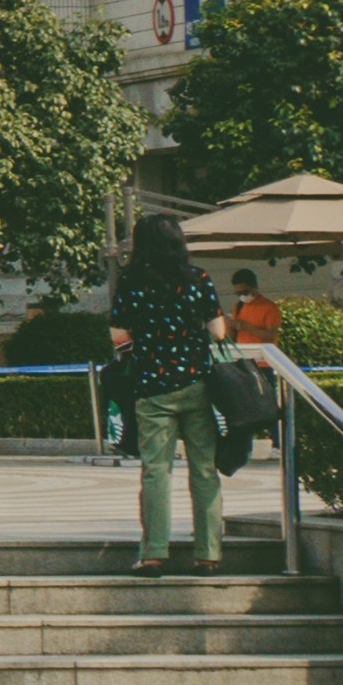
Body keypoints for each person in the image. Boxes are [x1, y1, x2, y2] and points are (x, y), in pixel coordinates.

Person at [107, 214, 230, 575]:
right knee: (204, 470)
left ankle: (154, 553)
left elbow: (119, 335)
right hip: (197, 385)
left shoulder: (132, 282)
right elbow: (219, 332)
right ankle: (208, 553)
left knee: (156, 472)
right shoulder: (197, 279)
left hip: (151, 388)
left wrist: (142, 351)